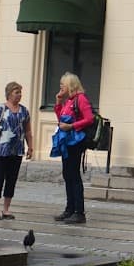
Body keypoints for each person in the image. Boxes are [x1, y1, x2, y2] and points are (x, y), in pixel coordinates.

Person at [50, 71, 94, 224]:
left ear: (71, 85)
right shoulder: (68, 101)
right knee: (67, 174)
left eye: (63, 84)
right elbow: (61, 120)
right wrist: (58, 103)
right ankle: (69, 209)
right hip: (66, 142)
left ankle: (79, 212)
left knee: (74, 175)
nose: (61, 86)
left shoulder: (80, 99)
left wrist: (72, 126)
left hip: (76, 142)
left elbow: (90, 118)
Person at [0, 81, 33, 220]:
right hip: (0, 150)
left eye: (20, 92)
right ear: (9, 94)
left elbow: (28, 130)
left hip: (17, 150)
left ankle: (6, 209)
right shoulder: (0, 109)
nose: (19, 95)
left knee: (11, 180)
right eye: (16, 92)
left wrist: (30, 146)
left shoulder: (24, 111)